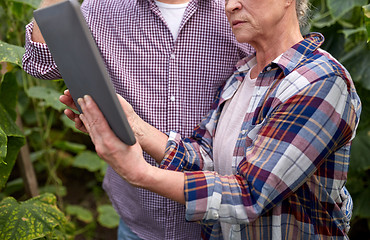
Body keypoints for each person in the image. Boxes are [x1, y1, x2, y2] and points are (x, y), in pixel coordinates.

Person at [62, 0, 361, 239]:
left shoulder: (319, 81)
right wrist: (134, 126)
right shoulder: (243, 76)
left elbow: (249, 196)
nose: (229, 5)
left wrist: (140, 173)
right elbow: (205, 158)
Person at [22, 0, 253, 239]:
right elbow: (41, 64)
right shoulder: (102, 7)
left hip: (220, 221)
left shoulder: (236, 8)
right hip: (138, 219)